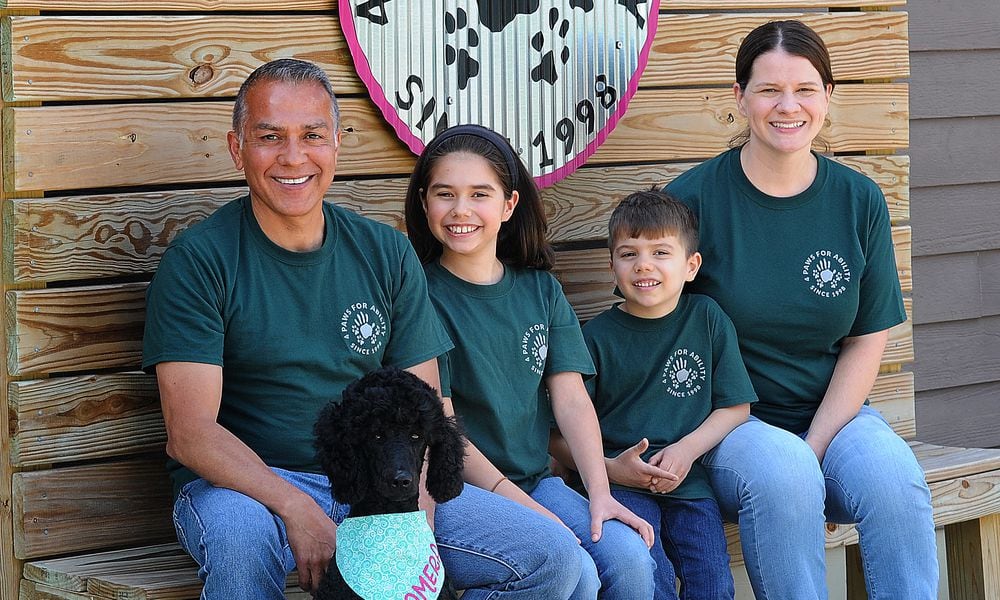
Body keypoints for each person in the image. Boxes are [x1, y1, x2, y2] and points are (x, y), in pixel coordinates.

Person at [143, 59, 599, 600]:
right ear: (238, 148)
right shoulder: (200, 261)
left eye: (312, 135)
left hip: (387, 477)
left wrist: (418, 517)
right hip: (250, 486)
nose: (293, 156)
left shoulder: (384, 251)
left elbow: (424, 406)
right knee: (241, 541)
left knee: (548, 557)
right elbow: (192, 433)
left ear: (337, 142)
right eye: (270, 137)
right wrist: (296, 507)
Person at [663, 20, 937, 599]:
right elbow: (659, 331)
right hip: (734, 425)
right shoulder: (692, 200)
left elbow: (867, 336)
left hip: (831, 415)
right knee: (785, 477)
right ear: (741, 98)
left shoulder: (857, 197)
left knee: (895, 482)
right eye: (768, 90)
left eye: (806, 88)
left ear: (828, 97)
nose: (788, 106)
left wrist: (815, 446)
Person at [404, 124, 657, 599]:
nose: (461, 210)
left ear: (509, 205)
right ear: (424, 203)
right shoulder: (419, 296)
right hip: (461, 491)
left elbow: (572, 400)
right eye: (445, 194)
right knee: (573, 570)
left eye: (480, 193)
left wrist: (600, 493)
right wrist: (529, 513)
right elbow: (445, 429)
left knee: (630, 559)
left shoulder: (540, 290)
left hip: (536, 479)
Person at [580, 190, 756, 599]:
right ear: (612, 267)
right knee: (650, 577)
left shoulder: (706, 318)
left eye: (661, 252)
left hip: (690, 483)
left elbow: (735, 406)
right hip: (622, 487)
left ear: (690, 265)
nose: (644, 264)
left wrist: (687, 449)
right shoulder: (595, 338)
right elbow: (560, 433)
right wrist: (608, 468)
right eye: (629, 254)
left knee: (712, 583)